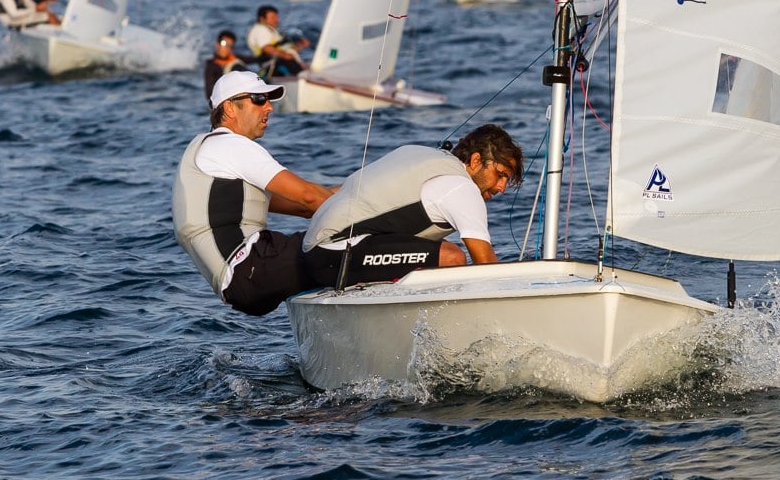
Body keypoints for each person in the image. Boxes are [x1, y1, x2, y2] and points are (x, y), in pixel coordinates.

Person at [172, 70, 335, 317]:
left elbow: (305, 207)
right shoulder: (229, 145)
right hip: (251, 267)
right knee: (359, 243)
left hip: (241, 285)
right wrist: (375, 211)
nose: (269, 107)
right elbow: (309, 197)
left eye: (269, 100)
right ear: (229, 108)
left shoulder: (213, 157)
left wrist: (357, 188)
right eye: (259, 99)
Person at [300, 124, 523, 289]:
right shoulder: (461, 188)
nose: (502, 187)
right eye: (500, 175)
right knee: (451, 257)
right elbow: (487, 265)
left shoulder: (424, 156)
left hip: (317, 250)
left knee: (433, 249)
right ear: (475, 161)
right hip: (334, 253)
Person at [246, 4, 310, 77]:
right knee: (299, 71)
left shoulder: (272, 31)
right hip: (273, 64)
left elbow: (285, 49)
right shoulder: (260, 29)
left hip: (283, 62)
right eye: (273, 17)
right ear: (262, 19)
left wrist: (300, 45)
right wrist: (285, 55)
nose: (277, 20)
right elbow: (267, 48)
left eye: (276, 17)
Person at [202, 29, 255, 105]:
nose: (226, 48)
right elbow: (209, 94)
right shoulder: (211, 66)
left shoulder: (235, 58)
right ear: (217, 44)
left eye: (230, 46)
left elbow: (255, 59)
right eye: (224, 44)